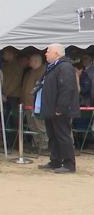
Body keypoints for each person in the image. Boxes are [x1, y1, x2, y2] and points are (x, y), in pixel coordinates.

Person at [36, 44, 80, 173]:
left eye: (48, 51)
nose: (45, 53)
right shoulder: (52, 67)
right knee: (53, 136)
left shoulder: (65, 67)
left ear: (56, 53)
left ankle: (69, 164)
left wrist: (61, 107)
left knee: (63, 136)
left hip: (60, 109)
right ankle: (55, 161)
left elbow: (67, 88)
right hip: (50, 108)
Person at [21, 54, 47, 152]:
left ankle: (44, 145)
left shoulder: (43, 71)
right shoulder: (29, 72)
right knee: (32, 125)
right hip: (28, 103)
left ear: (36, 61)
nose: (29, 62)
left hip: (37, 104)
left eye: (30, 60)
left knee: (40, 126)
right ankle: (36, 143)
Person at [1, 48, 24, 127]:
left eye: (5, 54)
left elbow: (16, 81)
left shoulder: (17, 65)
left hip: (13, 95)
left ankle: (15, 132)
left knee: (14, 116)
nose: (3, 56)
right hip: (6, 94)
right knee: (6, 115)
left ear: (11, 55)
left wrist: (6, 93)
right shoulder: (6, 65)